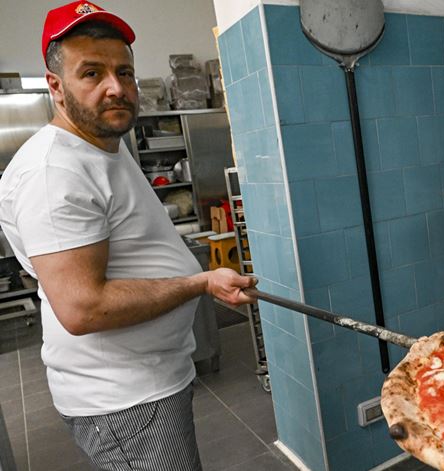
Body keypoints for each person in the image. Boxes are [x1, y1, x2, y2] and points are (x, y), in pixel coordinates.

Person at [0, 2, 256, 470]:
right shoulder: (55, 172)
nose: (116, 88)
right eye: (92, 73)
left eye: (125, 72)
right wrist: (197, 283)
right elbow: (83, 307)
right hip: (124, 401)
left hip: (149, 379)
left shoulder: (101, 147)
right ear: (55, 85)